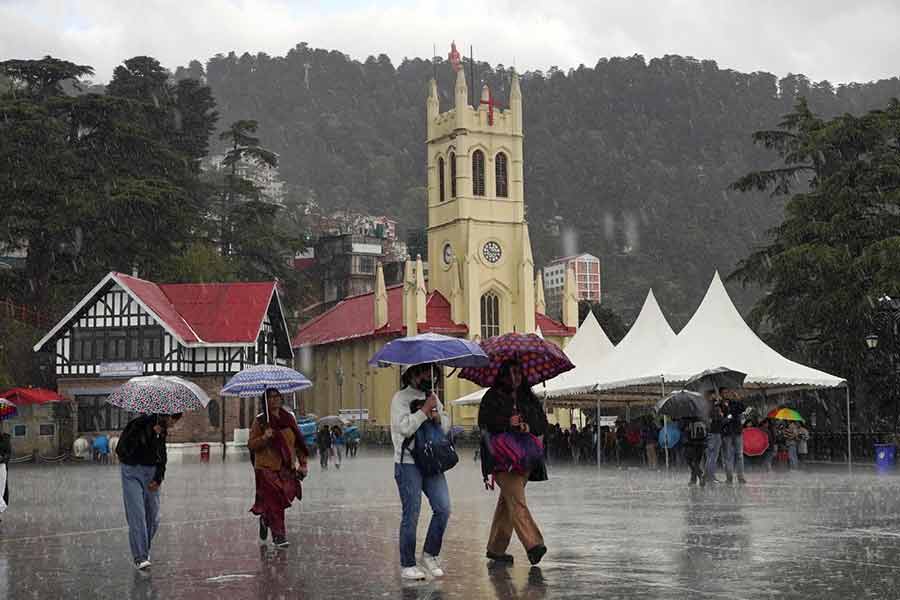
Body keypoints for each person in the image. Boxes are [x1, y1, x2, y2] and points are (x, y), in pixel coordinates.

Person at [479, 359, 549, 567]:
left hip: (524, 457)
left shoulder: (527, 397)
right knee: (517, 500)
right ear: (502, 375)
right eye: (511, 373)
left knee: (507, 502)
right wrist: (506, 422)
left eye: (518, 373)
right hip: (501, 458)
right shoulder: (492, 397)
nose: (515, 377)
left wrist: (527, 425)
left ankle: (496, 548)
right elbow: (484, 424)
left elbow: (542, 424)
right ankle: (534, 544)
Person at [391, 363, 451, 580]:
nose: (428, 375)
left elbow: (445, 427)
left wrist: (437, 417)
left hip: (431, 461)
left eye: (431, 371)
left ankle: (430, 554)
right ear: (412, 374)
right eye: (424, 370)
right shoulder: (401, 399)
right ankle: (407, 564)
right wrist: (424, 411)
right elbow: (404, 428)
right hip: (407, 463)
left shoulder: (433, 396)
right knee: (412, 512)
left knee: (443, 508)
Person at [116, 412, 183, 570]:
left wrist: (158, 478)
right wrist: (149, 433)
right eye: (174, 419)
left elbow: (162, 456)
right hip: (131, 471)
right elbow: (123, 449)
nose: (175, 424)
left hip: (151, 473)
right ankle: (140, 557)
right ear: (167, 416)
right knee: (137, 514)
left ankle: (143, 549)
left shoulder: (163, 430)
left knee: (153, 516)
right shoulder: (138, 424)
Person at [248, 389, 309, 548]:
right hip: (266, 467)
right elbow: (252, 445)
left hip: (286, 467)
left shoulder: (289, 419)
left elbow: (298, 443)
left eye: (277, 396)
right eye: (270, 397)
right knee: (275, 499)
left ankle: (265, 519)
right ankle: (279, 536)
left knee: (285, 496)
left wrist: (303, 464)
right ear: (265, 401)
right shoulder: (261, 421)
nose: (275, 400)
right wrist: (264, 438)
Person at [720, 389, 747, 484]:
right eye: (724, 392)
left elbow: (743, 408)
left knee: (739, 455)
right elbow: (721, 419)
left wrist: (738, 398)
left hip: (737, 431)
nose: (727, 394)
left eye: (728, 392)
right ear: (721, 394)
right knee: (728, 456)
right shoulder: (719, 404)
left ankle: (741, 476)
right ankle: (729, 477)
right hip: (727, 433)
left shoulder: (734, 403)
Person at [681, 416, 707, 486]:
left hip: (691, 444)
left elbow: (682, 429)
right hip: (701, 444)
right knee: (696, 462)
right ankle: (694, 479)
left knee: (691, 462)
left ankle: (699, 476)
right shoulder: (701, 417)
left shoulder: (687, 419)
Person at [705, 392, 724, 484]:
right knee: (713, 457)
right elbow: (718, 420)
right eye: (713, 394)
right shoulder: (712, 407)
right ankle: (710, 476)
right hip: (714, 434)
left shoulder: (707, 406)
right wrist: (724, 416)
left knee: (710, 456)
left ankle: (708, 476)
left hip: (711, 433)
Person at [0, 430, 10, 520]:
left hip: (1, 468)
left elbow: (8, 454)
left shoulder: (5, 438)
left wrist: (2, 458)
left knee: (1, 492)